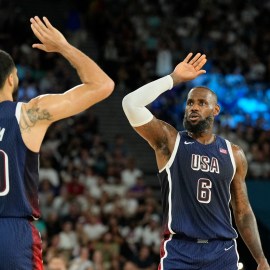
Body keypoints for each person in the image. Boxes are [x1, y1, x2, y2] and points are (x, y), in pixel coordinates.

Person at [122, 53, 270, 270]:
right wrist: (173, 78)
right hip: (179, 251)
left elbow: (243, 211)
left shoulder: (234, 153)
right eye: (190, 102)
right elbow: (130, 104)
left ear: (215, 110)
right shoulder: (170, 142)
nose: (194, 107)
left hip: (222, 251)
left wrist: (261, 258)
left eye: (202, 103)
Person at [0, 16, 114, 269]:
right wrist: (63, 46)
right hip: (12, 233)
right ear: (11, 79)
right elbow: (103, 85)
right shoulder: (28, 114)